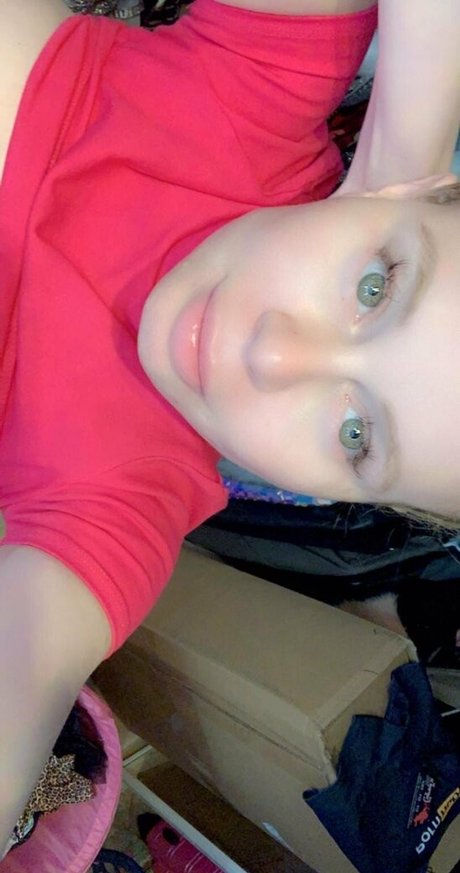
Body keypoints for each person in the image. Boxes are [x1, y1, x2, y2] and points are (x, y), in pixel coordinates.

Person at [0, 0, 459, 855]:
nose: (274, 356)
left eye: (355, 435)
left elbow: (22, 665)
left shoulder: (122, 505)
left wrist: (394, 225)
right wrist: (403, 154)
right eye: (374, 287)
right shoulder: (256, 94)